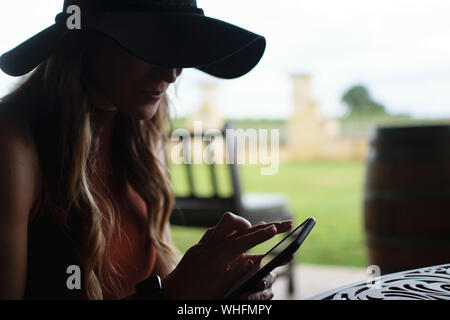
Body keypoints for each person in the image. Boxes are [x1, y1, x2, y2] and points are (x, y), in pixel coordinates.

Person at [0, 0, 292, 300]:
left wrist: (216, 291)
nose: (171, 73)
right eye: (152, 47)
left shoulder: (141, 134)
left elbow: (161, 284)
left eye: (177, 49)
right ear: (87, 41)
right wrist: (176, 294)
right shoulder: (14, 142)